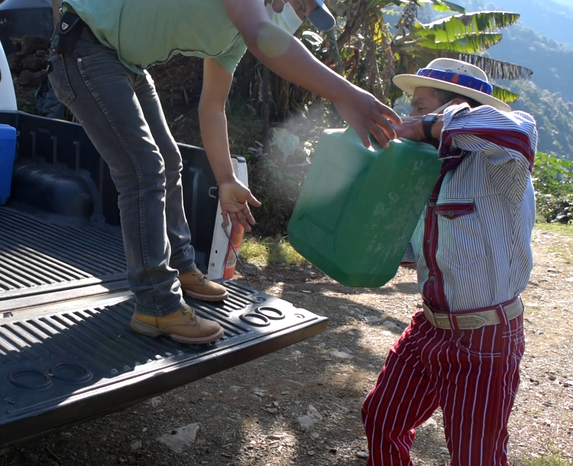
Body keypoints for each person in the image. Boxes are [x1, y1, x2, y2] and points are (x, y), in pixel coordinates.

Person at [47, 0, 401, 345]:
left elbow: (213, 107)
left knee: (169, 163)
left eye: (305, 12)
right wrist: (344, 92)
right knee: (143, 171)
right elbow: (261, 32)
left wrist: (227, 178)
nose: (295, 14)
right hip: (83, 48)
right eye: (299, 4)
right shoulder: (252, 24)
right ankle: (156, 304)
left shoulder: (231, 39)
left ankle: (182, 269)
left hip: (125, 64)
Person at [360, 58, 539, 466]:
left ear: (455, 109)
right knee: (382, 418)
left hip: (484, 337)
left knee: (475, 456)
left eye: (421, 108)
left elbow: (519, 130)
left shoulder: (501, 166)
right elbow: (413, 252)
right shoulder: (426, 169)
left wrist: (428, 126)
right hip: (430, 325)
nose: (410, 117)